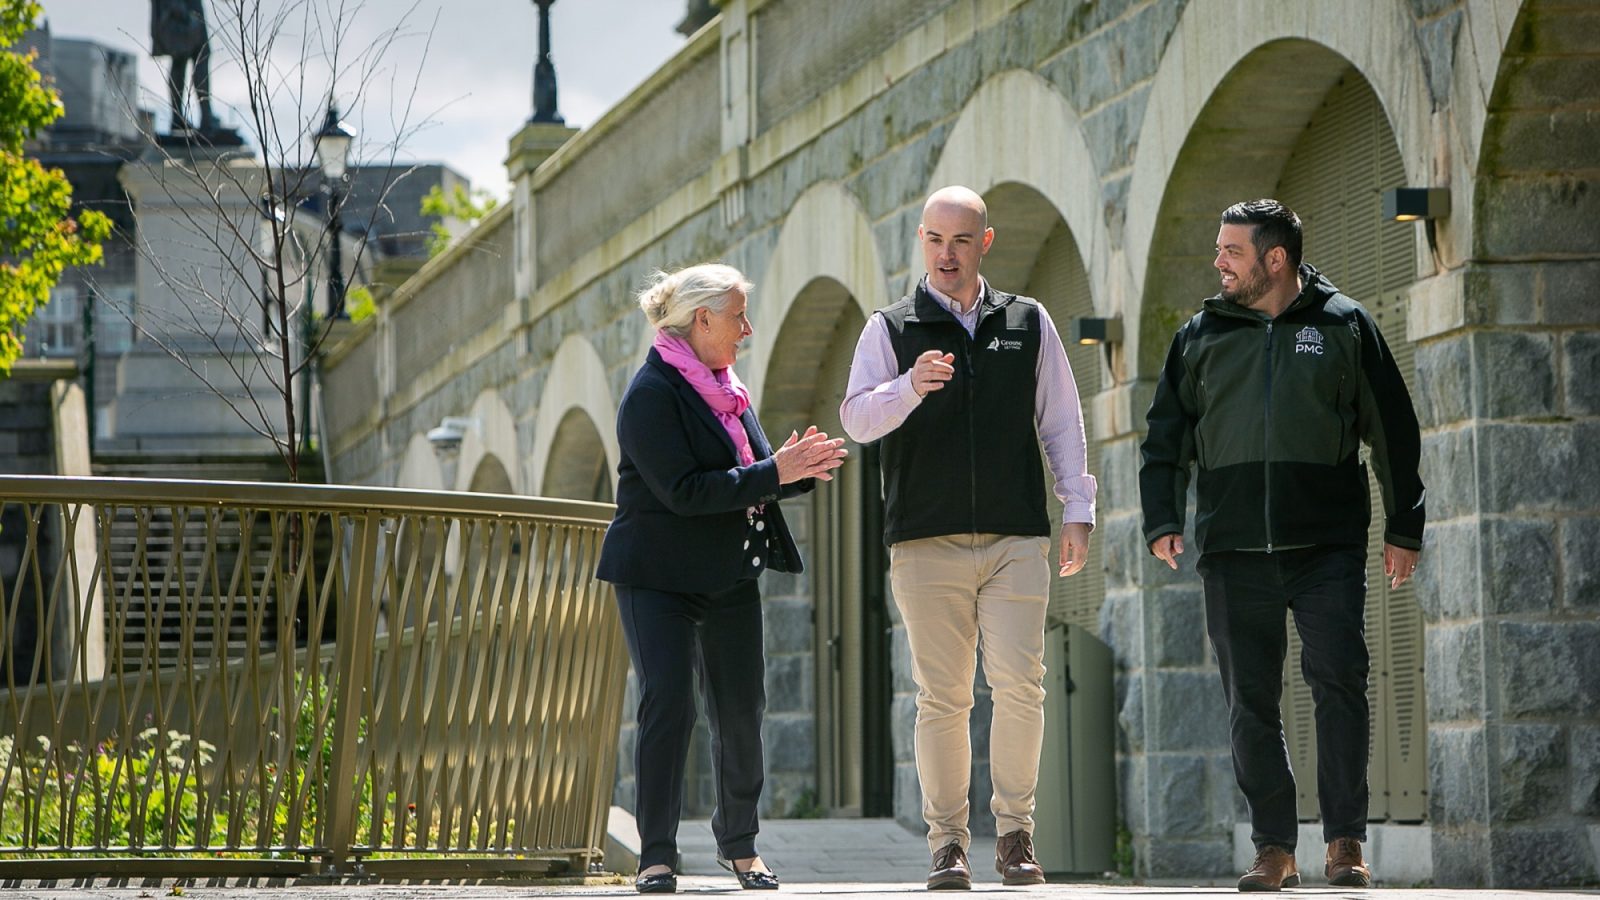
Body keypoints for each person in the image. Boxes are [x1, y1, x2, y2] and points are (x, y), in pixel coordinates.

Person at [1139, 199, 1425, 892]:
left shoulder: (1344, 326)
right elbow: (1165, 436)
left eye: (1231, 251)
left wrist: (1403, 525)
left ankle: (1345, 843)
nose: (1218, 262)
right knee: (1251, 702)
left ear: (1275, 259)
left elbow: (1393, 429)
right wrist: (1162, 518)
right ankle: (1273, 848)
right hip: (1234, 549)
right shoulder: (1201, 335)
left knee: (1340, 684)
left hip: (1325, 543)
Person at [840, 186, 1096, 890]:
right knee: (943, 697)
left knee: (1021, 687)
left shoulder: (1028, 321)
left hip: (1016, 536)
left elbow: (1061, 424)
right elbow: (857, 420)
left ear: (985, 243)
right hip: (924, 542)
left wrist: (1078, 509)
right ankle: (948, 844)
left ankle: (1015, 836)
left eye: (960, 240)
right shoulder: (890, 327)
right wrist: (909, 388)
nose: (946, 254)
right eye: (934, 239)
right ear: (920, 240)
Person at [596, 264, 848, 894]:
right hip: (658, 578)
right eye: (738, 315)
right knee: (669, 706)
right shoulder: (651, 394)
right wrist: (774, 471)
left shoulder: (727, 388)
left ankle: (741, 847)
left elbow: (749, 483)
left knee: (741, 711)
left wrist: (793, 471)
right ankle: (656, 856)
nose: (748, 329)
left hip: (728, 571)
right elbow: (685, 492)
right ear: (702, 318)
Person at [150, 0, 218, 134]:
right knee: (190, 57)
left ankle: (186, 117)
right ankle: (200, 118)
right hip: (180, 8)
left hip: (184, 7)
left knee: (184, 58)